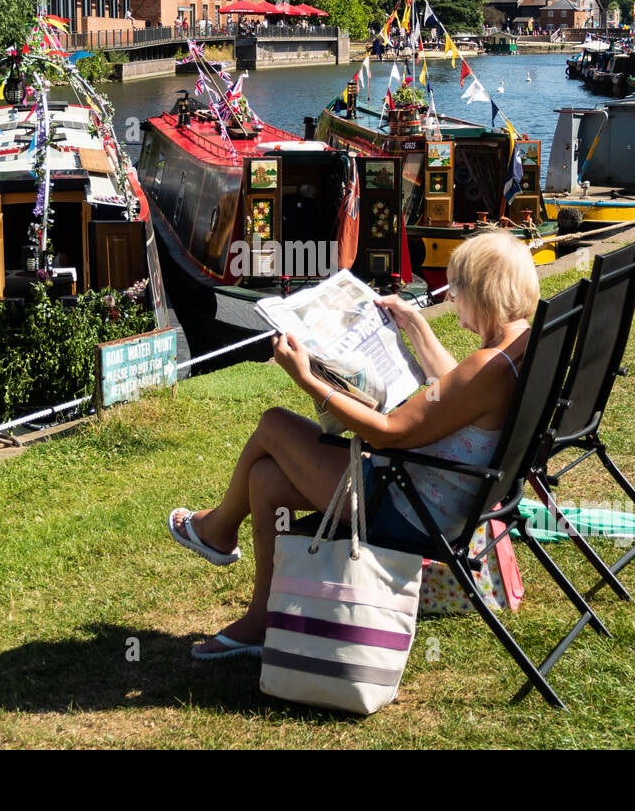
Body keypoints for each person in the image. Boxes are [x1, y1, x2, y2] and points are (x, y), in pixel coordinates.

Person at [167, 231, 539, 658]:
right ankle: (259, 617)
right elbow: (455, 389)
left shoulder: (486, 367)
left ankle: (217, 530)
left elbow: (387, 431)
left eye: (458, 290)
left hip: (408, 509)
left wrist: (306, 378)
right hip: (440, 499)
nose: (452, 300)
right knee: (266, 479)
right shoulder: (519, 348)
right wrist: (414, 323)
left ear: (483, 292)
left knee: (274, 424)